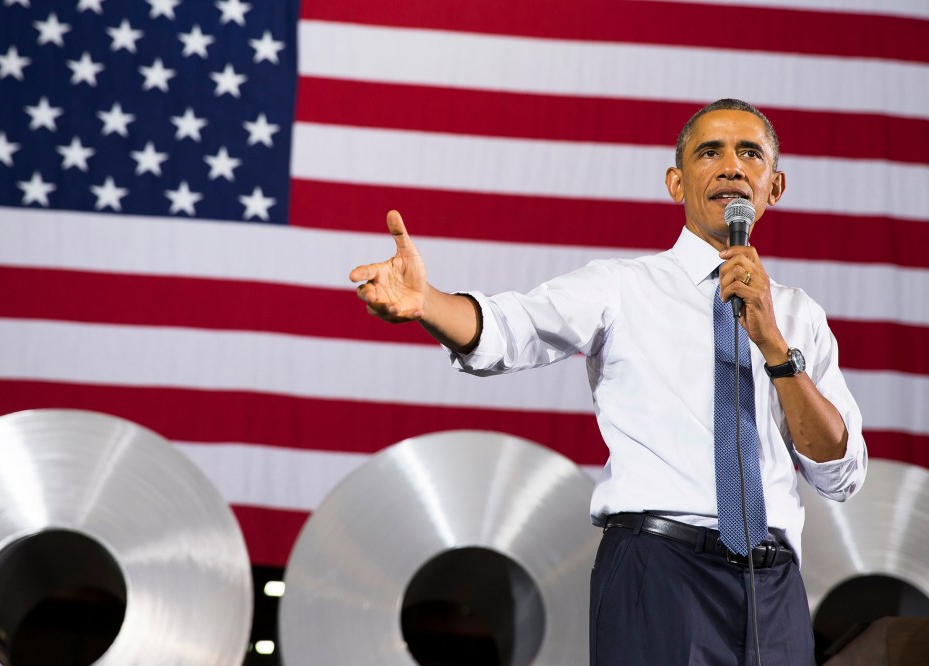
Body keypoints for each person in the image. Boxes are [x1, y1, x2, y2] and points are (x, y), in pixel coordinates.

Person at [349, 99, 867, 665]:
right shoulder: (621, 288)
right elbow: (508, 329)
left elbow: (838, 470)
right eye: (709, 152)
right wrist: (427, 303)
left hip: (773, 589)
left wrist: (773, 347)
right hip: (659, 573)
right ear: (677, 182)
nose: (732, 167)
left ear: (775, 186)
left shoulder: (798, 317)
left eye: (750, 153)